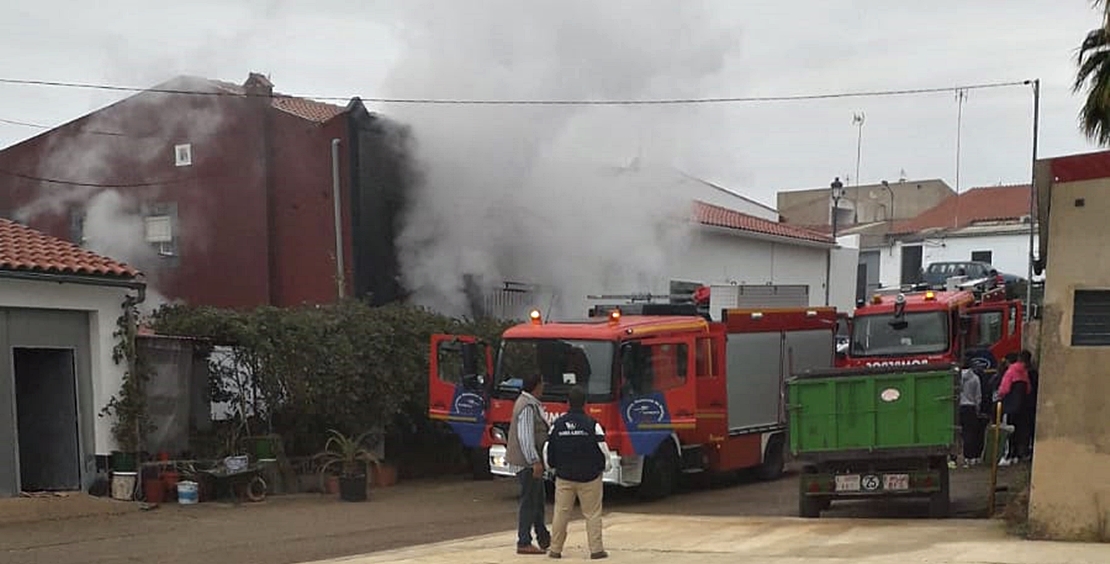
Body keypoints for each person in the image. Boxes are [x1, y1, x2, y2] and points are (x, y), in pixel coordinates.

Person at [543, 386, 610, 560]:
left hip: (564, 477)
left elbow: (548, 449)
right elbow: (603, 449)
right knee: (592, 514)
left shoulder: (557, 425)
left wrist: (552, 467)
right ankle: (596, 550)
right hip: (590, 477)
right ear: (585, 403)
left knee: (561, 513)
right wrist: (605, 467)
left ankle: (555, 550)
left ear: (567, 403)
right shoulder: (592, 424)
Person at [506, 373, 551, 555]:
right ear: (536, 386)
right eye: (542, 384)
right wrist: (534, 461)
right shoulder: (526, 406)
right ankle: (524, 541)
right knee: (529, 501)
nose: (544, 387)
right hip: (528, 463)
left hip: (533, 463)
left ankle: (542, 535)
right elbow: (525, 437)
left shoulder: (532, 404)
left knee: (538, 500)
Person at [997, 352, 1031, 465]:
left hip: (1010, 406)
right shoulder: (1024, 372)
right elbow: (1028, 389)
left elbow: (1004, 389)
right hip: (1022, 407)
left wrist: (999, 395)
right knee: (1018, 431)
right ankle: (1016, 455)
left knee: (1008, 431)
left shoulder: (1010, 371)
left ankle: (1007, 456)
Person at [959, 355, 983, 466]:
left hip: (958, 407)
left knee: (958, 433)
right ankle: (970, 457)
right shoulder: (975, 378)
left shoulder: (956, 377)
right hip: (970, 407)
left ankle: (955, 458)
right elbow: (978, 396)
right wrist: (977, 408)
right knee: (970, 433)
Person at [1020, 349, 1039, 456]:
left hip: (1025, 404)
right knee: (1028, 427)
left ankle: (1025, 449)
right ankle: (1027, 448)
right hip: (1031, 403)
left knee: (1025, 428)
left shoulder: (1025, 373)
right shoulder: (1033, 373)